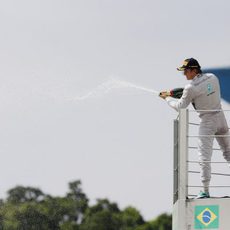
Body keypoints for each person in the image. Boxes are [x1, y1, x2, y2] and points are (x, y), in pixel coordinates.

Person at [160, 58, 230, 198]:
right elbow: (199, 91)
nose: (184, 74)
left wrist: (167, 98)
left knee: (204, 158)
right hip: (221, 117)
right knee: (228, 153)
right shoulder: (212, 77)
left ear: (194, 70)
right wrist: (177, 93)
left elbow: (180, 106)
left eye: (186, 71)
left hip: (207, 122)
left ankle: (205, 191)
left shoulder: (190, 88)